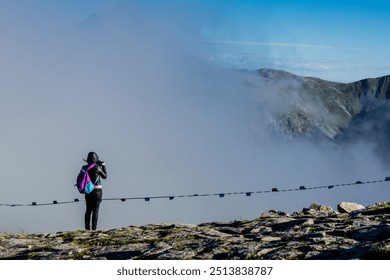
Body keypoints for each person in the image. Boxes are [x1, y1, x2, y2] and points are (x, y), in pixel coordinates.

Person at [82, 151, 107, 230]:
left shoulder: (84, 168)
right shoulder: (97, 167)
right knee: (95, 210)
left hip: (88, 190)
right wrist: (103, 166)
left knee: (88, 209)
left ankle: (87, 228)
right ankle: (94, 228)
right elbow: (105, 176)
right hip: (97, 191)